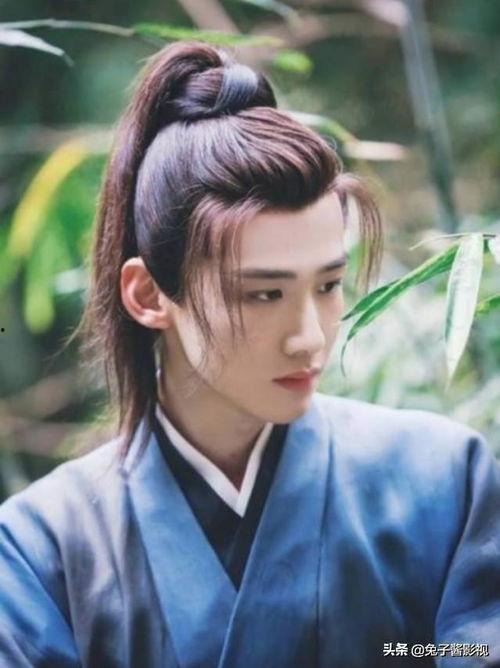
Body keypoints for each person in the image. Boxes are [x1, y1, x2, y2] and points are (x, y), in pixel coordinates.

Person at [0, 40, 499, 668]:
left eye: (328, 285)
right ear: (149, 295)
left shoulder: (443, 481)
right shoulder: (40, 550)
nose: (309, 337)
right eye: (263, 294)